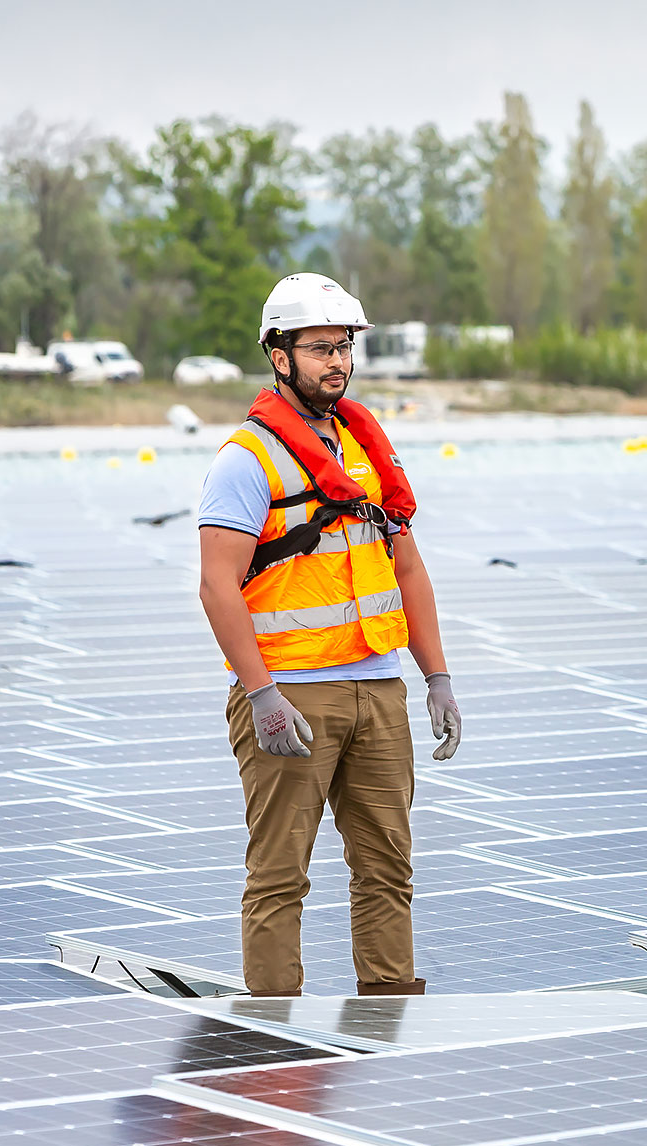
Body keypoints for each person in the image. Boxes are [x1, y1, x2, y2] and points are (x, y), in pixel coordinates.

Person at [196, 272, 461, 998]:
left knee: (387, 870)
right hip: (290, 700)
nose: (336, 362)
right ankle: (274, 1041)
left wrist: (436, 676)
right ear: (279, 356)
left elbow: (406, 568)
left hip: (377, 689)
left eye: (343, 347)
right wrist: (261, 695)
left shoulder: (368, 450)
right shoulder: (244, 460)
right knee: (280, 877)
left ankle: (387, 1023)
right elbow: (217, 586)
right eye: (319, 348)